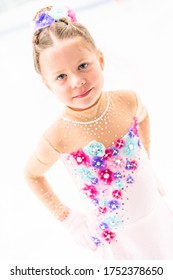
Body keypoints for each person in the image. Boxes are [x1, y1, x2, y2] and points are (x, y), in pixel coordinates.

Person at [25, 3, 173, 259]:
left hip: (157, 218)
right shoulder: (57, 135)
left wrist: (146, 163)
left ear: (100, 60)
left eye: (83, 65)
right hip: (118, 242)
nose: (76, 81)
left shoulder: (127, 100)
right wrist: (67, 218)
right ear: (48, 85)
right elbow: (31, 174)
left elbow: (144, 116)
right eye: (60, 77)